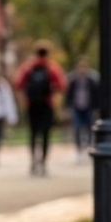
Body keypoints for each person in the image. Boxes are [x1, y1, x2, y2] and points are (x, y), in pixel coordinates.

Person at [14, 41, 66, 176]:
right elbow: (61, 86)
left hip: (32, 105)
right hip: (46, 105)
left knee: (33, 134)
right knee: (45, 135)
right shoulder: (52, 67)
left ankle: (33, 160)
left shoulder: (28, 67)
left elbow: (18, 84)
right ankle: (43, 162)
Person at [64, 57, 100, 162]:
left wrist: (97, 109)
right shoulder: (72, 80)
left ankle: (89, 148)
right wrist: (67, 108)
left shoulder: (92, 80)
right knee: (78, 129)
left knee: (89, 129)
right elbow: (68, 95)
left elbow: (97, 95)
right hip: (77, 108)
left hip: (89, 108)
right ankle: (79, 151)